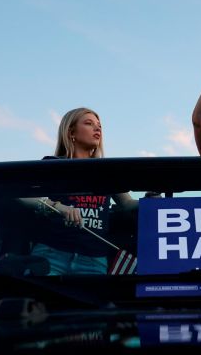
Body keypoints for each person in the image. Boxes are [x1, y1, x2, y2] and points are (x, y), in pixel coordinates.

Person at [31, 107, 137, 275]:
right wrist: (59, 207)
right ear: (71, 132)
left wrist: (151, 201)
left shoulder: (107, 171)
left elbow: (127, 203)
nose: (97, 129)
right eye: (89, 124)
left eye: (99, 126)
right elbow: (23, 195)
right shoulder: (52, 164)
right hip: (51, 254)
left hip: (94, 260)